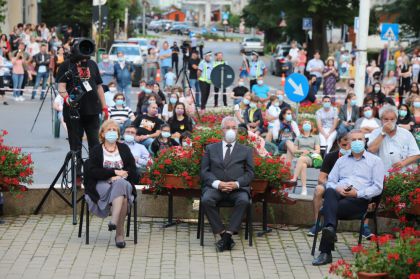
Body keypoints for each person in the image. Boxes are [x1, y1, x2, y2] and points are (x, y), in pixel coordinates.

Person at [312, 129, 385, 266]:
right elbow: (331, 181)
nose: (357, 142)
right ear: (348, 143)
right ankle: (330, 231)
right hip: (339, 196)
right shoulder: (341, 161)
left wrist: (357, 193)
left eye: (360, 139)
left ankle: (325, 250)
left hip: (359, 200)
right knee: (330, 191)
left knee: (329, 210)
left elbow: (377, 187)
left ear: (365, 141)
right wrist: (337, 187)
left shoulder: (376, 161)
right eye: (354, 140)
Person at [200, 116, 254, 252]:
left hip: (237, 189)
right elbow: (204, 172)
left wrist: (236, 184)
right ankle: (223, 234)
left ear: (238, 131)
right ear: (221, 131)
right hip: (216, 188)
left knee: (244, 201)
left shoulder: (246, 150)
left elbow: (250, 173)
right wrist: (217, 183)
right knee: (206, 200)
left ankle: (228, 234)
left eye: (234, 128)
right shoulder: (211, 148)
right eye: (228, 128)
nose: (231, 131)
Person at [57, 38, 107, 180]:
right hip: (73, 112)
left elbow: (98, 86)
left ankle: (93, 174)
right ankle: (77, 175)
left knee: (95, 144)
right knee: (75, 146)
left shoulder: (92, 64)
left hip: (92, 111)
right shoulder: (66, 65)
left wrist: (104, 107)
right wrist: (68, 99)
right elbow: (61, 87)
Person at [85, 120, 138, 248]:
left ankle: (114, 221)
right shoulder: (96, 150)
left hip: (123, 182)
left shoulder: (124, 148)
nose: (112, 133)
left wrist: (124, 174)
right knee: (124, 199)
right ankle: (119, 234)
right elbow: (92, 171)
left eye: (115, 130)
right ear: (102, 134)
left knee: (121, 184)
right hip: (102, 184)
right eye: (109, 130)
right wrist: (112, 174)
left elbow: (133, 168)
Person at [307, 133, 351, 236]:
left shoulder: (356, 157)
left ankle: (365, 227)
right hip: (332, 184)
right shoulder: (331, 156)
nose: (346, 147)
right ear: (338, 143)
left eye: (349, 145)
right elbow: (321, 179)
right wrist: (333, 186)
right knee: (318, 189)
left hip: (350, 187)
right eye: (344, 145)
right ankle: (317, 223)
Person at [367, 105, 420, 173]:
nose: (389, 122)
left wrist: (403, 163)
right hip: (382, 173)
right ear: (381, 120)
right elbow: (371, 150)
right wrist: (383, 133)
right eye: (386, 119)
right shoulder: (375, 132)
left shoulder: (406, 133)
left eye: (392, 119)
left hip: (402, 174)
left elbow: (416, 154)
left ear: (396, 119)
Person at [290, 120, 321, 195]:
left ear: (311, 127)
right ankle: (304, 189)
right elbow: (294, 151)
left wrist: (309, 152)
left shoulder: (315, 137)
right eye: (305, 123)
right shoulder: (298, 138)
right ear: (302, 126)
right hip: (301, 157)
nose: (307, 124)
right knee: (303, 165)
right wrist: (302, 151)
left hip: (311, 157)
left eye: (309, 123)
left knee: (301, 159)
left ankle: (294, 178)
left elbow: (318, 150)